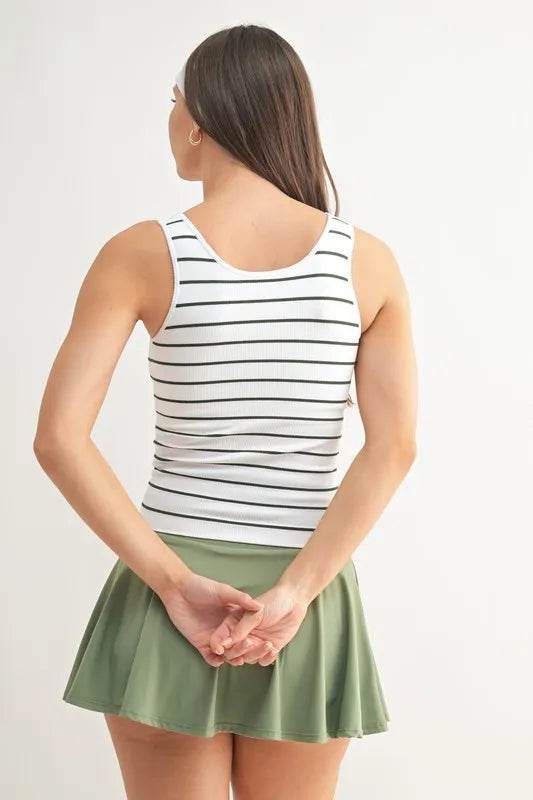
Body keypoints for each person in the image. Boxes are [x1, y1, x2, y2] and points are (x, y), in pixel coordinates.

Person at [34, 23, 417, 800]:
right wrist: (297, 591)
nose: (170, 118)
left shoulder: (141, 252)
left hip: (166, 589)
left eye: (172, 101)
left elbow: (59, 439)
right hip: (306, 597)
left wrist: (174, 584)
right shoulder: (366, 261)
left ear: (199, 120)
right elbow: (393, 447)